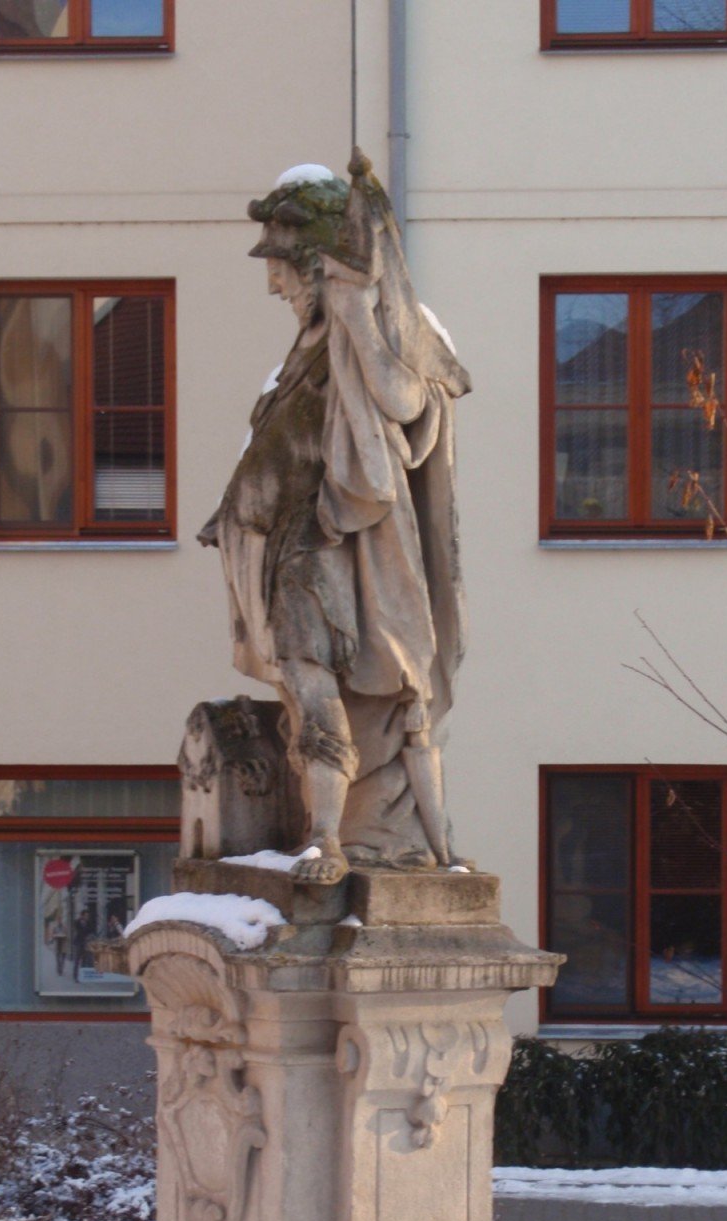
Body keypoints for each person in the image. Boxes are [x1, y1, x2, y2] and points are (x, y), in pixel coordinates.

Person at [199, 151, 471, 887]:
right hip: (281, 543)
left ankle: (329, 836)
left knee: (313, 676)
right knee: (299, 683)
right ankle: (321, 830)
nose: (273, 282)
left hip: (325, 546)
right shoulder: (304, 349)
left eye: (284, 265)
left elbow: (407, 405)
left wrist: (357, 313)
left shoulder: (384, 330)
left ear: (323, 264)